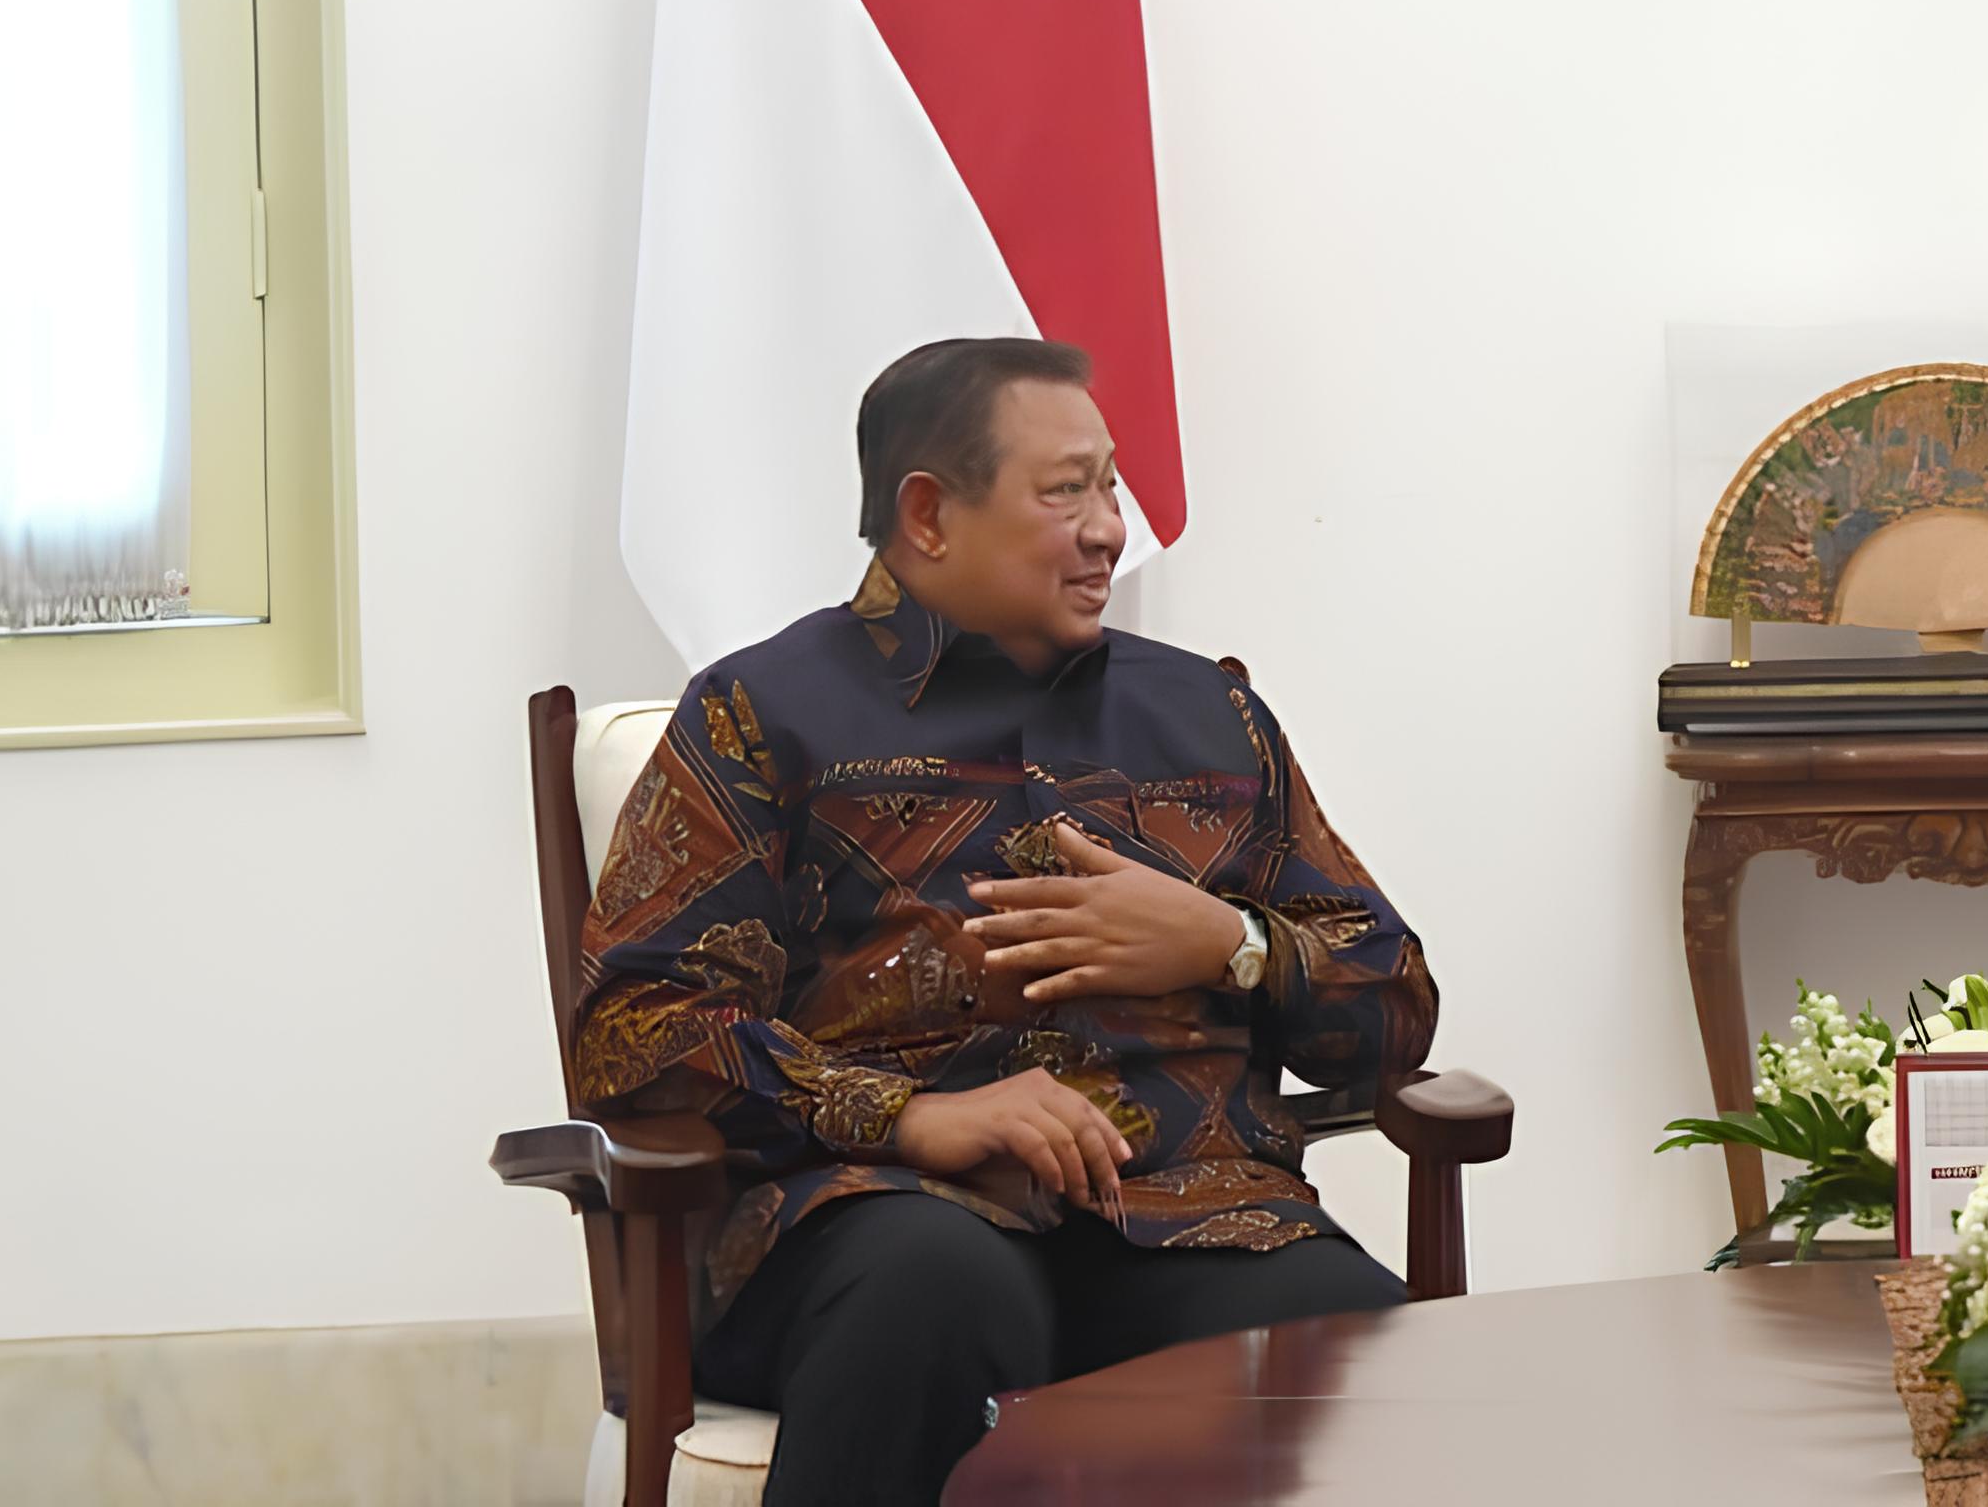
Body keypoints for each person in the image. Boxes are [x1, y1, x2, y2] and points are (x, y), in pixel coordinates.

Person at [572, 337, 1432, 1507]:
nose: (1109, 528)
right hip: (876, 1220)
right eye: (1065, 489)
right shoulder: (761, 714)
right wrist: (909, 1116)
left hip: (1190, 1219)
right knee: (935, 1287)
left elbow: (1393, 1003)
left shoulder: (1209, 714)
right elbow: (636, 1027)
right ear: (928, 513)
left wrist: (1226, 944)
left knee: (1372, 1352)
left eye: (1111, 484)